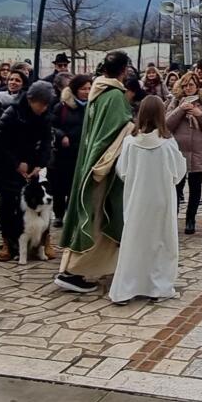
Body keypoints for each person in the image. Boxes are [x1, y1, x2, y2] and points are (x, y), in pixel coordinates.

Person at [55, 51, 135, 295]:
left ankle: (87, 267)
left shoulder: (97, 92)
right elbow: (116, 132)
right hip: (103, 168)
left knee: (90, 215)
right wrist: (134, 128)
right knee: (97, 218)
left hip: (89, 162)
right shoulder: (115, 96)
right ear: (124, 70)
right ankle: (74, 271)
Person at [112, 96, 189, 304]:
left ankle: (126, 289)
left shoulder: (130, 143)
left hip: (136, 200)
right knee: (161, 243)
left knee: (134, 243)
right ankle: (158, 287)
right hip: (161, 201)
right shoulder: (167, 144)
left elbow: (122, 171)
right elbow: (178, 173)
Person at [0, 81, 56, 261]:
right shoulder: (12, 113)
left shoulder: (45, 116)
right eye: (41, 104)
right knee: (7, 205)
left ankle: (43, 240)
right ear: (31, 100)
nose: (44, 108)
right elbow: (0, 143)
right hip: (7, 166)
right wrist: (17, 163)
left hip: (32, 166)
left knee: (40, 202)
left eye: (46, 105)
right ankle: (8, 242)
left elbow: (46, 143)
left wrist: (39, 164)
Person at [166, 73, 202, 235]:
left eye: (191, 85)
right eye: (185, 85)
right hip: (178, 151)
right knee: (176, 188)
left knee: (195, 188)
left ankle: (190, 219)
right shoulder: (175, 101)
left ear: (197, 86)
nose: (188, 88)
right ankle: (173, 219)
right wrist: (180, 110)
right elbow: (166, 124)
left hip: (198, 151)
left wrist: (199, 114)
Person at [49, 74, 92, 223]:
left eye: (89, 88)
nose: (87, 92)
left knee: (77, 185)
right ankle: (59, 215)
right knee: (60, 185)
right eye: (83, 89)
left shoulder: (92, 107)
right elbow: (52, 125)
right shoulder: (62, 107)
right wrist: (62, 136)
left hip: (82, 152)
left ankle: (73, 213)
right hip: (64, 154)